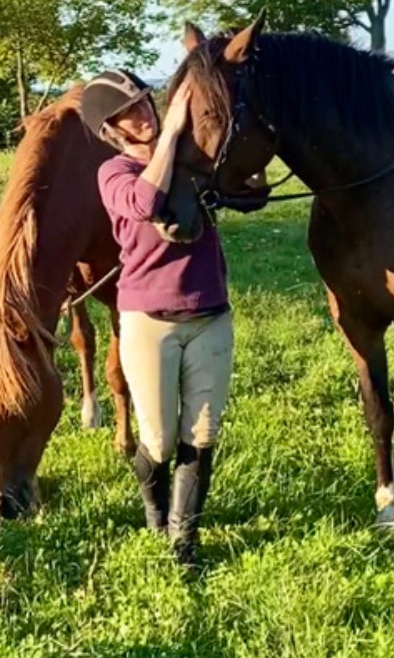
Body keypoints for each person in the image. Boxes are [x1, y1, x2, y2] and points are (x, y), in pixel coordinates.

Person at [79, 69, 261, 568]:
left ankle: (184, 541)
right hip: (147, 318)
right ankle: (154, 506)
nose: (143, 115)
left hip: (209, 312)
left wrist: (252, 153)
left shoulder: (191, 159)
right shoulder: (113, 173)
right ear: (110, 129)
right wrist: (173, 132)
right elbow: (143, 202)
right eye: (127, 113)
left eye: (144, 103)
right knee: (157, 440)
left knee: (202, 435)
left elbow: (251, 195)